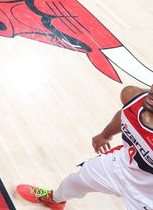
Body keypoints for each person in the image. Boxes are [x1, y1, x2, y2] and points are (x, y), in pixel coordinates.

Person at [17, 84, 153, 209]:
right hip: (120, 165)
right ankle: (54, 199)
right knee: (77, 180)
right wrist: (105, 135)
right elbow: (126, 112)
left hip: (147, 195)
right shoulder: (133, 96)